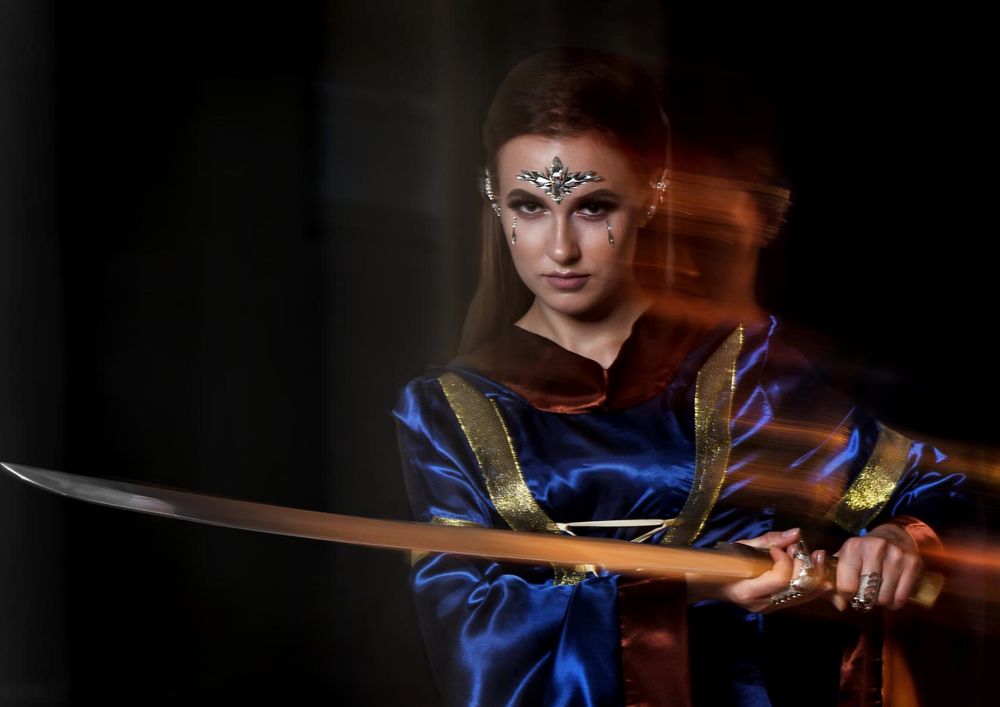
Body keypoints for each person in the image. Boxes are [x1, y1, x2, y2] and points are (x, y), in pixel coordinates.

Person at [392, 48, 967, 706]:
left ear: (651, 193)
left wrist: (895, 539)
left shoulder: (744, 367)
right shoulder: (447, 408)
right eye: (529, 206)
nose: (560, 248)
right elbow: (471, 637)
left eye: (593, 207)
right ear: (494, 199)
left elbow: (936, 488)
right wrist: (695, 580)